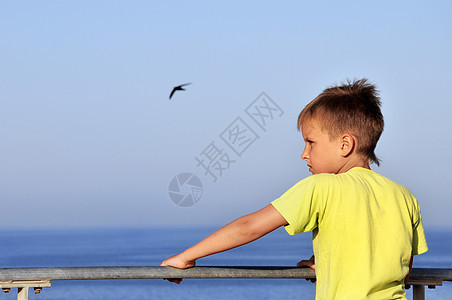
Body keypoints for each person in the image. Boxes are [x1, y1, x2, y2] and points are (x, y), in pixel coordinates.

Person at [161, 79, 428, 299]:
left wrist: (186, 257)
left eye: (310, 142)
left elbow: (250, 226)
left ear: (345, 144)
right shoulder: (404, 195)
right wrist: (333, 263)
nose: (304, 153)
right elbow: (402, 271)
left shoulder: (322, 187)